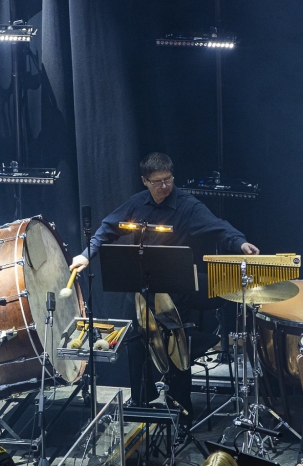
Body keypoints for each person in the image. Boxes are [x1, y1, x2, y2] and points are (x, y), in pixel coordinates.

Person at [68, 152, 259, 416]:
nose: (165, 186)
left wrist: (239, 242)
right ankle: (141, 404)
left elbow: (218, 227)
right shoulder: (136, 204)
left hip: (174, 292)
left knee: (175, 349)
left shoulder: (187, 205)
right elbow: (107, 229)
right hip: (141, 290)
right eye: (157, 182)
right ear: (145, 181)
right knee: (136, 343)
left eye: (168, 179)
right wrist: (85, 255)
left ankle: (181, 411)